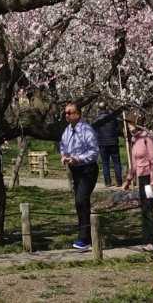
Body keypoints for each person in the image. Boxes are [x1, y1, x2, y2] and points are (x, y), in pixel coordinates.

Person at [58, 102, 100, 250]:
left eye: (70, 113)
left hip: (87, 169)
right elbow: (63, 144)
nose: (67, 115)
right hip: (75, 170)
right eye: (65, 113)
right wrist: (64, 155)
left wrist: (78, 159)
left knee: (81, 199)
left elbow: (94, 151)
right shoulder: (68, 130)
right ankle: (85, 235)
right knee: (79, 202)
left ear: (77, 114)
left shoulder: (86, 130)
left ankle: (84, 238)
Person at [123, 116, 153, 252]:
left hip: (150, 177)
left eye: (131, 123)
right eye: (127, 124)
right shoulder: (134, 139)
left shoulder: (147, 138)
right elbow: (134, 163)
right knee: (145, 210)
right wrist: (128, 179)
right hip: (141, 177)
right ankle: (149, 240)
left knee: (147, 209)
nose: (129, 126)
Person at [91, 105, 125, 187]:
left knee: (105, 163)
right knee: (116, 162)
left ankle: (107, 182)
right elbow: (117, 127)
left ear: (99, 109)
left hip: (102, 144)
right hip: (113, 143)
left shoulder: (97, 120)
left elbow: (95, 131)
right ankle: (119, 181)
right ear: (106, 108)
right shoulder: (112, 118)